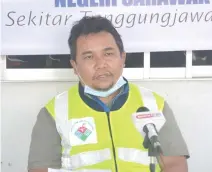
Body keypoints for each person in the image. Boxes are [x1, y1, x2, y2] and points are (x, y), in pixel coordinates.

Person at [27, 16, 190, 172]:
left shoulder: (154, 105)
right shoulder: (54, 112)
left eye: (108, 53)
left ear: (122, 58)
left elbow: (174, 165)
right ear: (75, 66)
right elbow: (41, 169)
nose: (100, 64)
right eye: (89, 56)